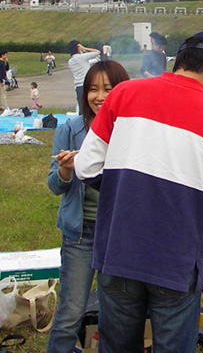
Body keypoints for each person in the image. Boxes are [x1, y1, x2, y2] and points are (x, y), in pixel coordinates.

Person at [74, 32, 203, 353]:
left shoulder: (123, 94)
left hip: (117, 252)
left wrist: (126, 188)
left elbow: (86, 167)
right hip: (175, 263)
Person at [46, 61, 130, 353]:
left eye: (109, 89)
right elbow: (54, 185)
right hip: (78, 234)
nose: (100, 96)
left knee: (114, 314)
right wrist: (66, 171)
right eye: (93, 89)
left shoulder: (130, 131)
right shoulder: (71, 129)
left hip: (115, 235)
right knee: (70, 312)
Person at [67, 41, 101, 109]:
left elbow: (88, 62)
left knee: (82, 107)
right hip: (87, 84)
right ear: (78, 47)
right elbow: (97, 52)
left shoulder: (70, 61)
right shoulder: (82, 57)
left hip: (78, 86)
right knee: (91, 106)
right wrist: (84, 48)